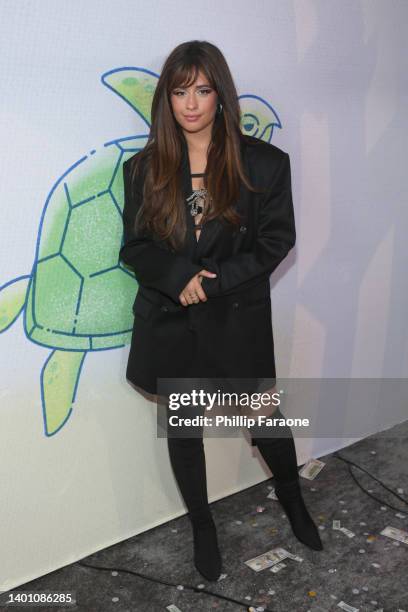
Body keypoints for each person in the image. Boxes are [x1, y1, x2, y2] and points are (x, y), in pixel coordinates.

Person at [119, 40, 323, 582]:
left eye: (202, 90)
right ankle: (203, 527)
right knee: (184, 428)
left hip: (235, 319)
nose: (191, 103)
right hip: (170, 323)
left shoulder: (265, 163)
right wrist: (176, 276)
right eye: (180, 91)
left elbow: (277, 240)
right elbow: (135, 247)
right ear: (167, 97)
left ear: (220, 94)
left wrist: (208, 283)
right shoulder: (143, 168)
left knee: (265, 422)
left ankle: (293, 498)